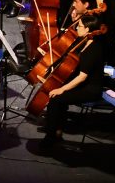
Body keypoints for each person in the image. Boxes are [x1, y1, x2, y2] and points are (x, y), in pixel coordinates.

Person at [40, 14, 104, 148]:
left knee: (56, 98)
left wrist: (62, 88)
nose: (76, 28)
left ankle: (50, 137)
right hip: (85, 84)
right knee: (59, 95)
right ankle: (57, 129)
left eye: (80, 26)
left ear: (87, 29)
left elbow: (82, 77)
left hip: (91, 89)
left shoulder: (93, 49)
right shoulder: (86, 42)